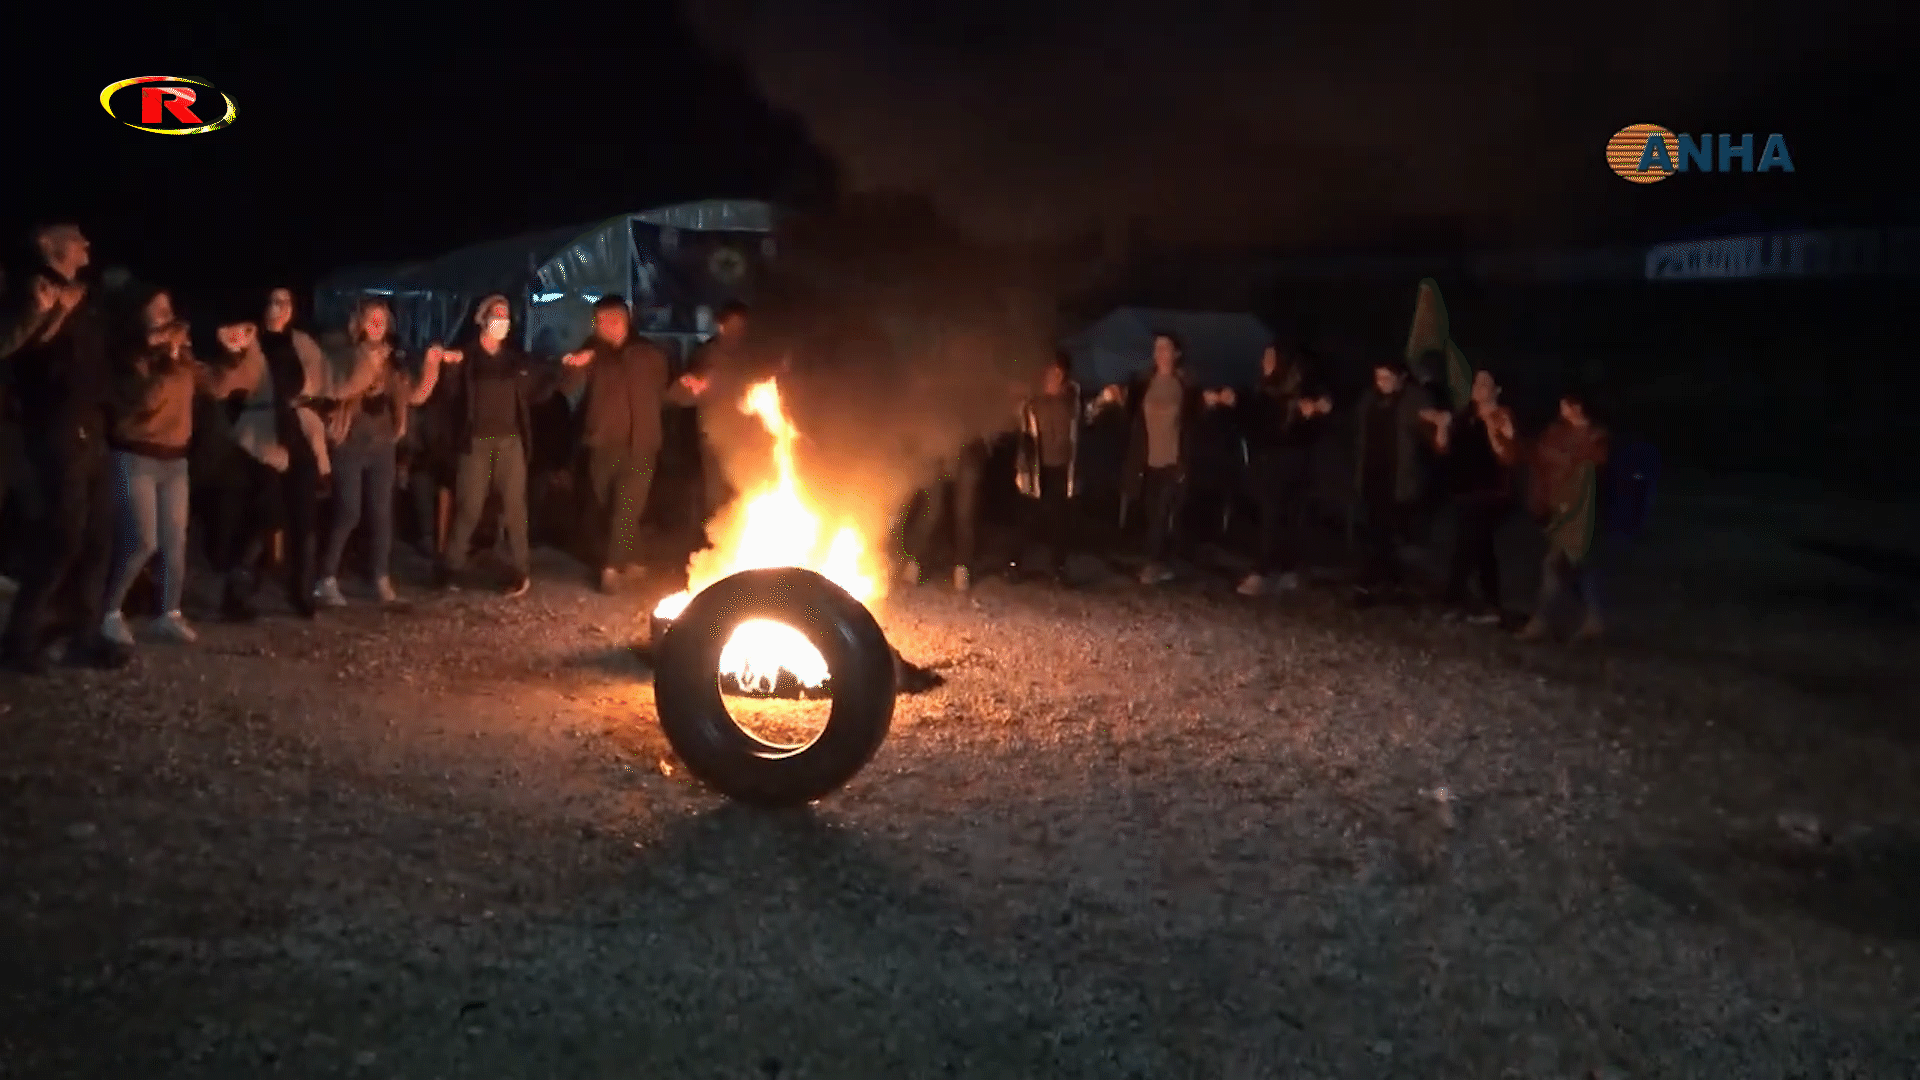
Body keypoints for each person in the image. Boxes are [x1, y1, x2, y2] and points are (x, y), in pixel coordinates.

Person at [0, 224, 129, 672]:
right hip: (56, 422)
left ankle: (84, 634)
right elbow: (17, 345)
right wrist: (48, 313)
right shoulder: (32, 285)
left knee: (98, 538)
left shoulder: (82, 294)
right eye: (78, 238)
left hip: (92, 422)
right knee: (64, 536)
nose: (87, 243)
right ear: (51, 247)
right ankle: (22, 636)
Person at [561, 294, 707, 593]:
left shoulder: (650, 354)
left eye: (611, 319)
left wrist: (688, 387)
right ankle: (637, 557)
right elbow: (566, 387)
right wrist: (572, 367)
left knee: (627, 507)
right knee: (609, 506)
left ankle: (611, 570)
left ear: (625, 320)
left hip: (642, 445)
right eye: (600, 321)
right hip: (602, 444)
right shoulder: (592, 354)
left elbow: (668, 393)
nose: (605, 326)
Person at [313, 297, 446, 607]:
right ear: (358, 323)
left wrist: (430, 367)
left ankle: (380, 577)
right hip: (350, 442)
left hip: (382, 443)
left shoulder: (391, 360)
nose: (376, 324)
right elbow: (336, 389)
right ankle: (326, 577)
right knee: (348, 511)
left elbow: (413, 396)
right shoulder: (343, 354)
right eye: (371, 318)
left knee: (382, 513)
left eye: (381, 319)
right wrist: (365, 365)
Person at [436, 293, 570, 597]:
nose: (502, 320)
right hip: (475, 443)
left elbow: (539, 389)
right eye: (496, 314)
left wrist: (564, 368)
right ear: (482, 318)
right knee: (469, 507)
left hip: (510, 442)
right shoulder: (467, 357)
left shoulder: (515, 359)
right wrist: (450, 367)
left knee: (514, 509)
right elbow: (449, 395)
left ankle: (519, 572)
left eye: (506, 315)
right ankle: (451, 568)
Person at [99, 287, 204, 646]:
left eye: (168, 307)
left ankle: (169, 613)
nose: (165, 314)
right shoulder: (132, 356)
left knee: (175, 543)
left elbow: (214, 386)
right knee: (141, 541)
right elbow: (146, 401)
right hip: (136, 454)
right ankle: (109, 612)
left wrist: (242, 350)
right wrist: (168, 359)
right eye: (156, 309)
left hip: (175, 459)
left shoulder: (181, 355)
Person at [256, 287, 331, 616]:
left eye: (285, 302)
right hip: (263, 435)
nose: (279, 308)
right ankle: (244, 587)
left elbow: (326, 383)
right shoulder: (252, 341)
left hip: (298, 435)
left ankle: (302, 592)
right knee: (265, 516)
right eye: (273, 301)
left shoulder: (302, 343)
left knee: (305, 517)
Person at [1426, 368, 1518, 623]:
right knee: (1482, 548)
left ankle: (1453, 599)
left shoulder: (1502, 416)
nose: (1479, 388)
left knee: (1466, 545)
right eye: (1476, 383)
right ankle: (1490, 603)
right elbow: (1444, 449)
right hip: (1464, 490)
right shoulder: (1464, 416)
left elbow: (1508, 456)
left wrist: (1491, 427)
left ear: (1497, 390)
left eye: (1486, 384)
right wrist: (1441, 427)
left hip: (1491, 492)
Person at [1522, 390, 1610, 642]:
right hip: (1558, 509)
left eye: (1567, 404)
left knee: (1555, 565)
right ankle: (1595, 618)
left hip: (1581, 513)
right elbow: (1540, 460)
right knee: (1578, 566)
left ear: (1578, 406)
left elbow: (1590, 469)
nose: (1563, 408)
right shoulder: (1556, 433)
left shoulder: (1595, 438)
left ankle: (1540, 622)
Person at [1350, 359, 1439, 599]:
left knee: (1392, 533)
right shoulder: (1369, 399)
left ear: (1401, 378)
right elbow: (1358, 433)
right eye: (1378, 378)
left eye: (1387, 378)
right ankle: (1379, 578)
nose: (1382, 383)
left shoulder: (1414, 400)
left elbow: (1429, 440)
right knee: (1372, 529)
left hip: (1398, 476)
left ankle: (1385, 580)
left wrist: (1436, 425)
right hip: (1371, 473)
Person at [1238, 380, 1334, 597]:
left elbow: (1315, 428)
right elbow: (1255, 425)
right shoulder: (1267, 395)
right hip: (1271, 462)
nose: (1266, 363)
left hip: (1294, 464)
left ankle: (1273, 571)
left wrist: (1315, 412)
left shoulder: (1304, 393)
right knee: (1273, 516)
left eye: (1271, 358)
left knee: (1286, 516)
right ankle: (1275, 569)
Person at [1120, 331, 1202, 585]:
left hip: (1173, 458)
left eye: (1165, 348)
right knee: (1151, 511)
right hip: (1148, 459)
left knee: (1163, 511)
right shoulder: (1145, 383)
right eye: (1156, 348)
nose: (1160, 353)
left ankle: (1156, 563)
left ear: (1177, 353)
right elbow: (1132, 416)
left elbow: (1195, 422)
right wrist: (1118, 398)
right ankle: (1160, 561)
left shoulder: (1186, 386)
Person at [1013, 352, 1081, 583]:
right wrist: (1022, 469)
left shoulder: (1073, 399)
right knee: (1026, 518)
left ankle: (1058, 567)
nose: (1054, 376)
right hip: (1036, 468)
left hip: (1062, 468)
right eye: (1051, 372)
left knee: (1060, 521)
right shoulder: (1032, 402)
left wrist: (1104, 402)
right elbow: (1024, 438)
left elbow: (1083, 426)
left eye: (1059, 372)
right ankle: (1014, 564)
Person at [902, 437, 990, 591]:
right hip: (935, 439)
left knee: (965, 510)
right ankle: (915, 560)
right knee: (932, 507)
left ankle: (962, 566)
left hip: (969, 442)